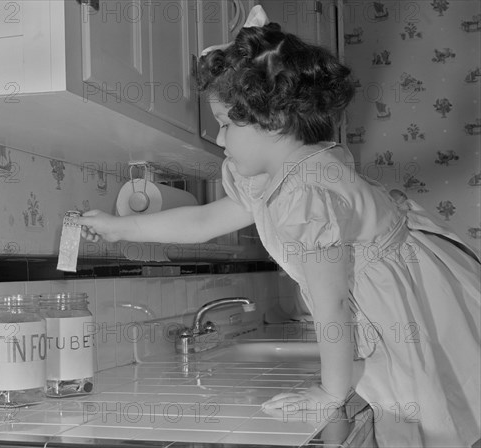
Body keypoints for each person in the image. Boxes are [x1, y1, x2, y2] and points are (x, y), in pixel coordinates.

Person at [75, 10, 481, 448]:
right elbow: (204, 220)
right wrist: (120, 228)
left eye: (227, 123)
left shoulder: (308, 193)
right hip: (399, 289)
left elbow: (332, 305)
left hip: (399, 301)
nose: (219, 138)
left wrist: (330, 392)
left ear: (275, 121)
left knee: (414, 413)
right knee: (414, 404)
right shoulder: (280, 177)